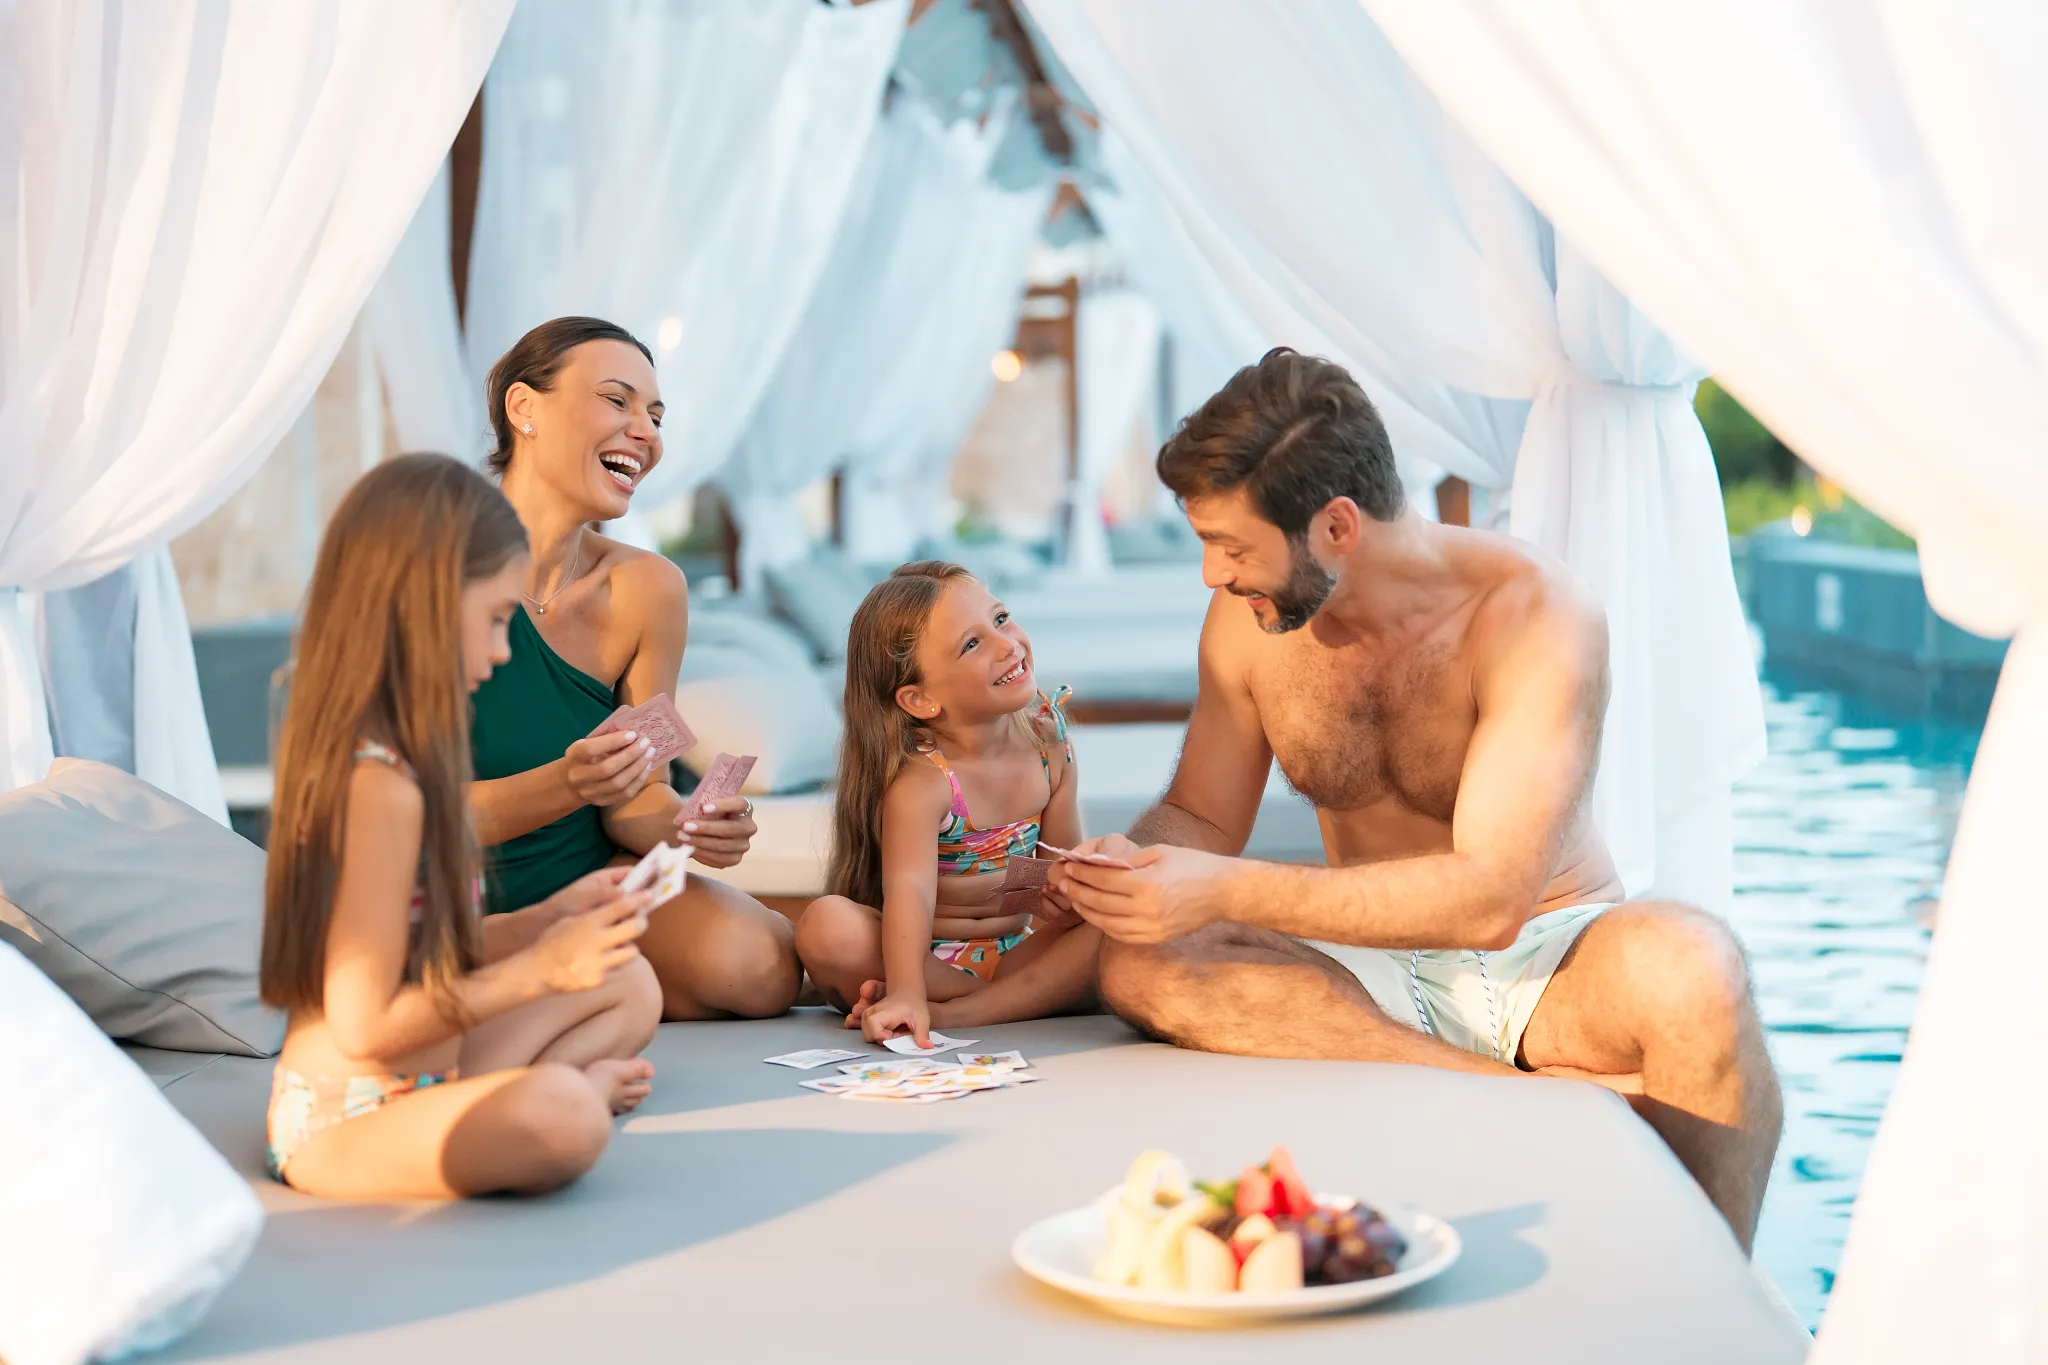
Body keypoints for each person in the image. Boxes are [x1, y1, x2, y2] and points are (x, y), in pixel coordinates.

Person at [1049, 349, 1783, 1252]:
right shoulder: (1251, 623)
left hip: (1540, 957)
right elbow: (1200, 817)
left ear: (1337, 527)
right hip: (1368, 972)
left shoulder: (1534, 614)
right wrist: (1123, 867)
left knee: (1697, 965)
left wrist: (1220, 887)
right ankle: (1545, 1101)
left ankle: (1720, 1306)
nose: (1213, 574)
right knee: (1139, 966)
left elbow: (1491, 897)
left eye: (1233, 546)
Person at [259, 454, 661, 1200]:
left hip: (429, 1070)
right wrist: (537, 971)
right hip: (344, 1116)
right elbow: (364, 1024)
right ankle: (556, 1093)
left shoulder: (409, 760)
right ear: (424, 606)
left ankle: (514, 1097)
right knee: (567, 1117)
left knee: (630, 980)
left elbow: (417, 947)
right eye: (497, 619)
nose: (506, 650)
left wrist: (546, 920)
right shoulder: (375, 786)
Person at [467, 317, 800, 1022]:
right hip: (451, 885)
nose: (644, 432)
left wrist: (688, 826)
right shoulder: (432, 568)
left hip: (591, 877)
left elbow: (637, 796)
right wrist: (569, 781)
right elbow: (414, 817)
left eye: (654, 415)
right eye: (616, 401)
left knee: (765, 965)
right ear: (523, 408)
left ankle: (571, 976)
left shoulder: (651, 589)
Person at [796, 562, 1101, 1046]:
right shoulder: (925, 782)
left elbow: (1051, 874)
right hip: (928, 963)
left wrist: (1064, 897)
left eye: (1000, 619)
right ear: (920, 699)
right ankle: (1005, 1001)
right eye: (972, 644)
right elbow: (911, 893)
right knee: (828, 928)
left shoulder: (1050, 747)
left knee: (1126, 919)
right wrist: (908, 992)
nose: (1007, 645)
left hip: (1018, 953)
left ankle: (980, 1006)